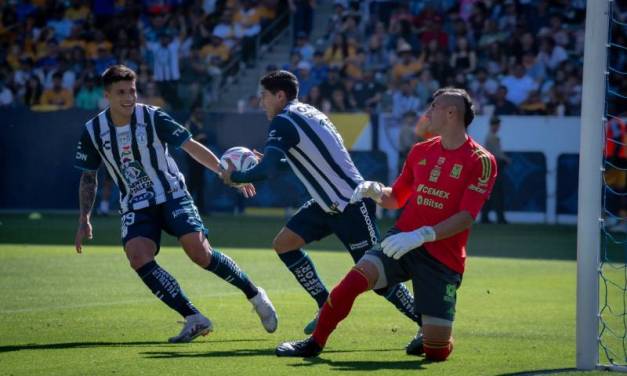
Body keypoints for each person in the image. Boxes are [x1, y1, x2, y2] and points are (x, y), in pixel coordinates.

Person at [275, 87, 497, 362]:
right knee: (353, 281)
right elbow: (396, 199)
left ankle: (434, 335)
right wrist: (375, 191)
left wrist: (423, 235)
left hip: (443, 257)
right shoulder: (419, 151)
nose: (428, 113)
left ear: (451, 113)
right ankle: (314, 343)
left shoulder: (481, 160)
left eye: (434, 107)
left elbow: (466, 217)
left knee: (435, 352)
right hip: (400, 242)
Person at [73, 65, 277, 343]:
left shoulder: (153, 117)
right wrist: (85, 217)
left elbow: (191, 146)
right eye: (121, 92)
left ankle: (255, 294)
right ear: (107, 95)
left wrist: (224, 172)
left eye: (132, 91)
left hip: (171, 194)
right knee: (137, 256)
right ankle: (194, 318)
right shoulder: (93, 130)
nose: (129, 97)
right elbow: (89, 176)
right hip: (135, 204)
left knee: (199, 252)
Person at [220, 70, 419, 335]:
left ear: (280, 95)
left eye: (264, 96)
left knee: (379, 278)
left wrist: (237, 176)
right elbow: (304, 161)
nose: (261, 102)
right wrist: (268, 162)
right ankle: (325, 305)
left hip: (351, 203)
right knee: (284, 244)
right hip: (326, 203)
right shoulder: (309, 113)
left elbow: (267, 171)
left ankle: (424, 322)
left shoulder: (283, 121)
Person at [481, 116, 511, 224]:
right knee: (498, 194)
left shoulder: (490, 136)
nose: (498, 127)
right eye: (497, 125)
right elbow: (497, 153)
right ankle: (499, 218)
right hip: (495, 166)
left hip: (491, 167)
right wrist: (507, 159)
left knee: (490, 194)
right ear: (494, 125)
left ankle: (485, 217)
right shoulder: (492, 137)